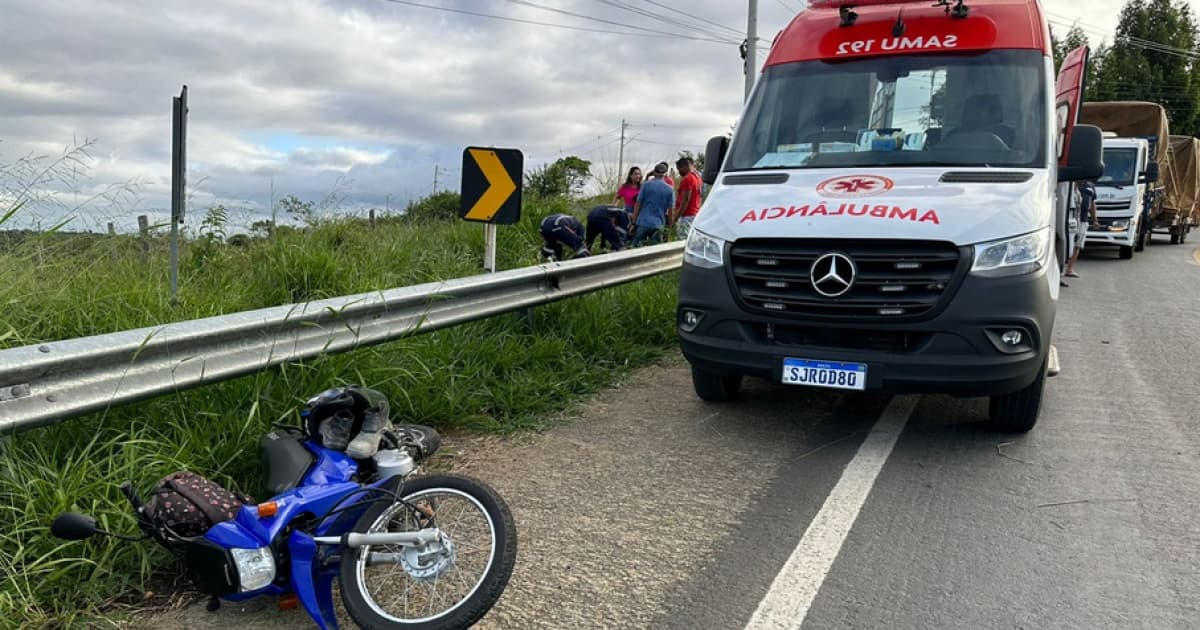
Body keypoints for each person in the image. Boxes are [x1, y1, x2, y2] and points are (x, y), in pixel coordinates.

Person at [630, 162, 675, 246]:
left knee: (635, 248)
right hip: (658, 224)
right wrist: (669, 228)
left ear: (654, 173)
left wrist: (633, 223)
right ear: (665, 174)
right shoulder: (670, 190)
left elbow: (638, 204)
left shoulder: (646, 185)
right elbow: (671, 211)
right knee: (655, 251)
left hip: (643, 222)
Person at [1064, 179, 1098, 280]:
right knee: (1064, 241)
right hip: (1070, 217)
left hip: (1083, 220)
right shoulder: (1070, 183)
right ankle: (1059, 267)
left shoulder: (1090, 186)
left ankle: (1069, 269)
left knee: (1078, 244)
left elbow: (1092, 204)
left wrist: (1095, 220)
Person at [669, 156, 703, 239]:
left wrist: (675, 218)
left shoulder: (687, 179)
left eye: (679, 169)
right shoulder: (697, 178)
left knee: (683, 240)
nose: (679, 172)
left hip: (687, 215)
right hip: (695, 213)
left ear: (684, 167)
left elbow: (685, 200)